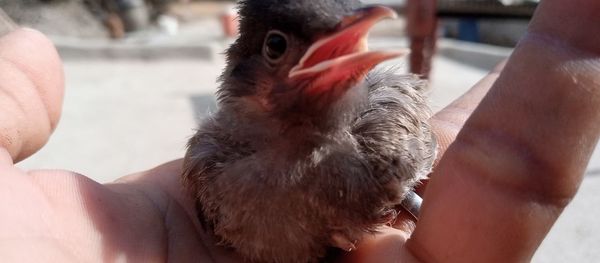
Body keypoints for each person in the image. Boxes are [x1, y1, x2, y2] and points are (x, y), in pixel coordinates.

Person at [1, 0, 599, 261]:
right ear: (242, 76)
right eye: (281, 47)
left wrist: (413, 201)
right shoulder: (212, 170)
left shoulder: (379, 139)